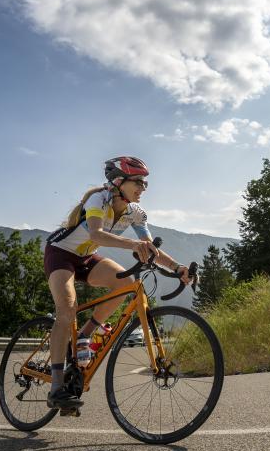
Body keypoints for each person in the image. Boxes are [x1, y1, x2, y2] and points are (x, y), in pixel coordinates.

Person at [43, 156, 191, 411]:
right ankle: (56, 387)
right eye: (138, 182)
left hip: (86, 257)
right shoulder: (98, 199)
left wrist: (178, 268)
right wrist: (135, 245)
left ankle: (85, 335)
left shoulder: (136, 213)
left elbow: (150, 247)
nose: (143, 188)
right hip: (60, 254)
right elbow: (96, 234)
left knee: (125, 284)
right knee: (66, 309)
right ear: (119, 181)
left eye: (145, 184)